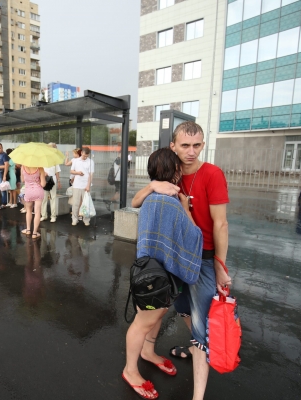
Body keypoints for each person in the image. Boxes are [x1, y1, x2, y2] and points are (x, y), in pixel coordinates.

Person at [131, 121, 231, 400]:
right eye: (185, 145)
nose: (191, 151)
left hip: (202, 259)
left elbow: (220, 224)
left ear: (203, 145)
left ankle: (197, 394)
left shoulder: (211, 174)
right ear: (173, 146)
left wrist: (221, 267)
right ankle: (191, 346)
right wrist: (152, 185)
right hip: (174, 261)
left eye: (197, 145)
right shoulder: (170, 176)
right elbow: (137, 200)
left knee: (201, 325)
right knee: (183, 310)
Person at [123, 148, 203, 400]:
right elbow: (194, 236)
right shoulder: (170, 202)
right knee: (144, 321)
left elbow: (135, 203)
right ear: (175, 171)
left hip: (149, 273)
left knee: (154, 316)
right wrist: (186, 209)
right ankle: (130, 370)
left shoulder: (152, 196)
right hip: (161, 277)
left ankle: (148, 353)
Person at [70, 147, 94, 226]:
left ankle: (86, 219)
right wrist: (78, 173)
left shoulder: (91, 162)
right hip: (76, 185)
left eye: (87, 156)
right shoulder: (76, 161)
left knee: (86, 204)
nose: (85, 157)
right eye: (84, 156)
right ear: (81, 153)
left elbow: (91, 174)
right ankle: (74, 219)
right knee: (75, 203)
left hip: (85, 185)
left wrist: (88, 186)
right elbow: (71, 171)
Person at [20, 164, 46, 239]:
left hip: (28, 191)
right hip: (38, 191)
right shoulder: (40, 168)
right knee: (37, 212)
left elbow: (23, 180)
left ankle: (28, 230)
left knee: (28, 211)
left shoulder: (23, 167)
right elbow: (43, 184)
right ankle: (34, 233)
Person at [41, 143, 62, 222]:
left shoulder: (55, 159)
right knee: (44, 198)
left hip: (52, 179)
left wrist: (59, 181)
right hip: (44, 179)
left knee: (53, 198)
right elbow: (40, 169)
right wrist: (43, 173)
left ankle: (53, 216)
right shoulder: (43, 158)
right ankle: (44, 215)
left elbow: (57, 171)